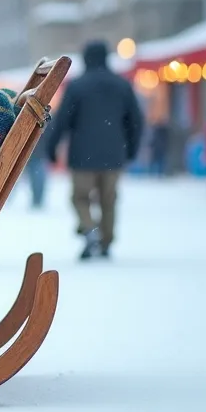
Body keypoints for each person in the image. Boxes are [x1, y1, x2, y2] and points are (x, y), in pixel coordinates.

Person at [43, 40, 144, 260]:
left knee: (80, 197)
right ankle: (106, 240)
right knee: (109, 200)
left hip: (82, 156)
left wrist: (52, 147)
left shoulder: (77, 85)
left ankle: (89, 229)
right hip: (114, 154)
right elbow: (135, 120)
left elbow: (62, 121)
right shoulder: (122, 85)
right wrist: (132, 149)